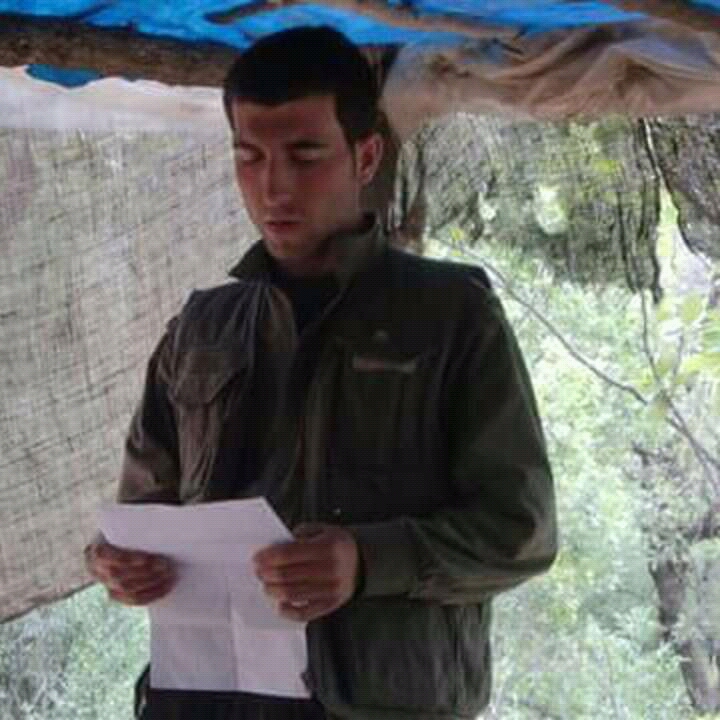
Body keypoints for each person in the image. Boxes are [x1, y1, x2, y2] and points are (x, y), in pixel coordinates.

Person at [85, 25, 557, 720]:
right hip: (206, 700)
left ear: (366, 156)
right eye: (249, 157)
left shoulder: (452, 314)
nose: (273, 187)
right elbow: (141, 517)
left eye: (304, 155)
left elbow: (522, 533)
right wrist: (116, 562)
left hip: (380, 705)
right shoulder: (199, 327)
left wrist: (367, 561)